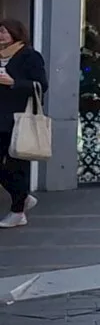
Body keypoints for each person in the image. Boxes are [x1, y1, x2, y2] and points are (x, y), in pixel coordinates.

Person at [0, 19, 47, 229]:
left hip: (18, 120)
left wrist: (14, 83)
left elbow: (41, 85)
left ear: (15, 33)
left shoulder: (29, 55)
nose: (1, 35)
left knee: (17, 166)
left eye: (4, 31)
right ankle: (23, 197)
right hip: (1, 118)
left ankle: (18, 211)